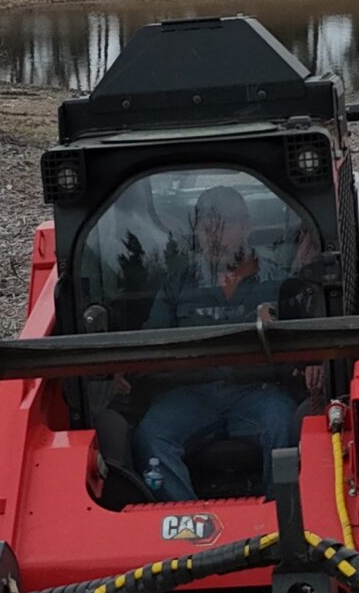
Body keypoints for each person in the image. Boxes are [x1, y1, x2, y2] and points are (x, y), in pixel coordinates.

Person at [130, 184, 304, 501]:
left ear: (246, 227)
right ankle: (187, 524)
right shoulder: (176, 285)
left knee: (285, 425)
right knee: (152, 435)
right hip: (189, 395)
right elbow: (150, 341)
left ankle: (279, 522)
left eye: (224, 225)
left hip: (258, 393)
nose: (214, 235)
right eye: (205, 226)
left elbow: (306, 338)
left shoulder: (278, 281)